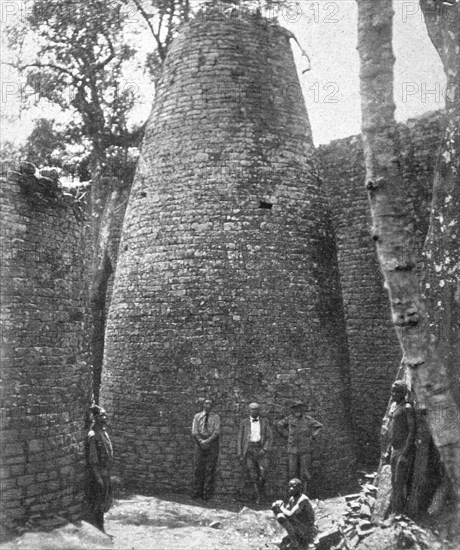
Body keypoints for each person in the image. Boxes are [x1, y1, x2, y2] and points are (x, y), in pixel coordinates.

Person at [276, 401, 323, 489]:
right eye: (295, 408)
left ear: (302, 409)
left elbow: (319, 426)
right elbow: (279, 425)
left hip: (304, 448)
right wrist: (287, 435)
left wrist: (313, 436)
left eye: (299, 408)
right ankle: (293, 492)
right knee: (292, 471)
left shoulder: (308, 419)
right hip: (292, 449)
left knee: (304, 471)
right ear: (293, 410)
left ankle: (304, 492)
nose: (297, 410)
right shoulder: (289, 419)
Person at [385, 380, 415, 514]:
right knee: (393, 481)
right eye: (393, 391)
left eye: (397, 392)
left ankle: (398, 514)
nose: (394, 394)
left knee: (399, 482)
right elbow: (390, 430)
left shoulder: (407, 408)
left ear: (403, 393)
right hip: (394, 448)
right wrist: (388, 450)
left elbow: (411, 431)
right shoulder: (393, 406)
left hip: (402, 449)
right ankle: (394, 512)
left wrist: (405, 453)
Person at [85, 404, 113, 533]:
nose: (104, 418)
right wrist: (98, 477)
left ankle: (101, 526)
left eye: (105, 415)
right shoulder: (93, 435)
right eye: (102, 415)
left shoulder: (103, 432)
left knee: (105, 499)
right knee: (98, 501)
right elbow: (93, 458)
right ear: (95, 418)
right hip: (99, 474)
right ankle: (99, 527)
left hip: (105, 472)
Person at [237, 402, 273, 504]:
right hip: (249, 450)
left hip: (260, 449)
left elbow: (270, 437)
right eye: (252, 409)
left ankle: (262, 493)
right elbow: (240, 437)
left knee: (263, 471)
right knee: (252, 473)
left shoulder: (265, 422)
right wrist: (240, 453)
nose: (254, 411)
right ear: (249, 410)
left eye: (256, 409)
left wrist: (265, 449)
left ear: (259, 411)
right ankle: (258, 496)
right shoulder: (244, 422)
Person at [272, 478, 316, 550]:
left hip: (308, 530)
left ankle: (295, 541)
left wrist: (281, 507)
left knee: (282, 516)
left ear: (300, 488)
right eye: (290, 486)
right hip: (299, 526)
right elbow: (285, 511)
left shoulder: (303, 499)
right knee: (279, 514)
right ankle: (295, 538)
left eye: (294, 486)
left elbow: (290, 514)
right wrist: (276, 507)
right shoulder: (292, 499)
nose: (291, 488)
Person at [191, 398, 220, 500]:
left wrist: (207, 441)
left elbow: (216, 432)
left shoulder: (216, 417)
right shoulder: (197, 416)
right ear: (203, 405)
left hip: (211, 442)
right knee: (198, 468)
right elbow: (194, 431)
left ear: (212, 406)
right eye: (206, 403)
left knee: (210, 468)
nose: (208, 405)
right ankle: (196, 492)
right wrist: (200, 441)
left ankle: (206, 494)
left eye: (210, 404)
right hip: (199, 443)